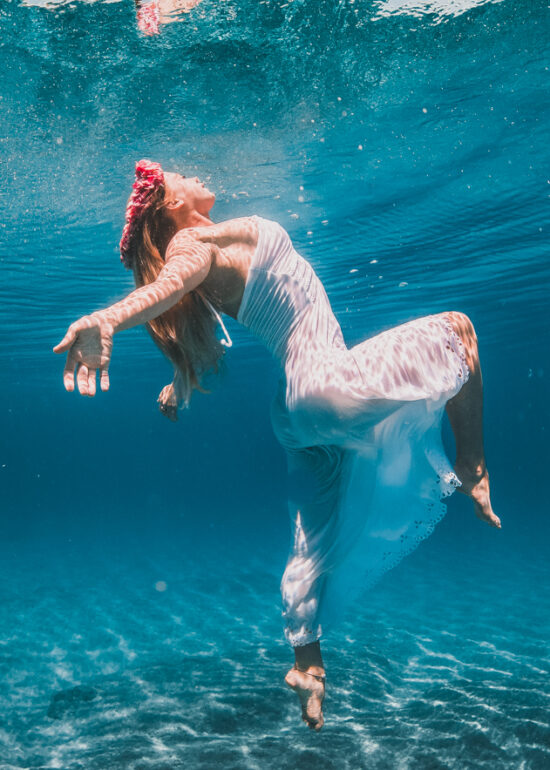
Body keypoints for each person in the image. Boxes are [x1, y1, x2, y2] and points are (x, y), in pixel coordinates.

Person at [54, 159, 501, 731]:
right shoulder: (194, 242)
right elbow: (168, 286)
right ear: (170, 204)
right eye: (180, 175)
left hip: (294, 412)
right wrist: (108, 319)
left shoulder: (206, 246)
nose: (193, 173)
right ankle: (472, 464)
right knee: (459, 330)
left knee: (315, 532)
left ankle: (307, 666)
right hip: (324, 387)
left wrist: (178, 381)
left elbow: (177, 298)